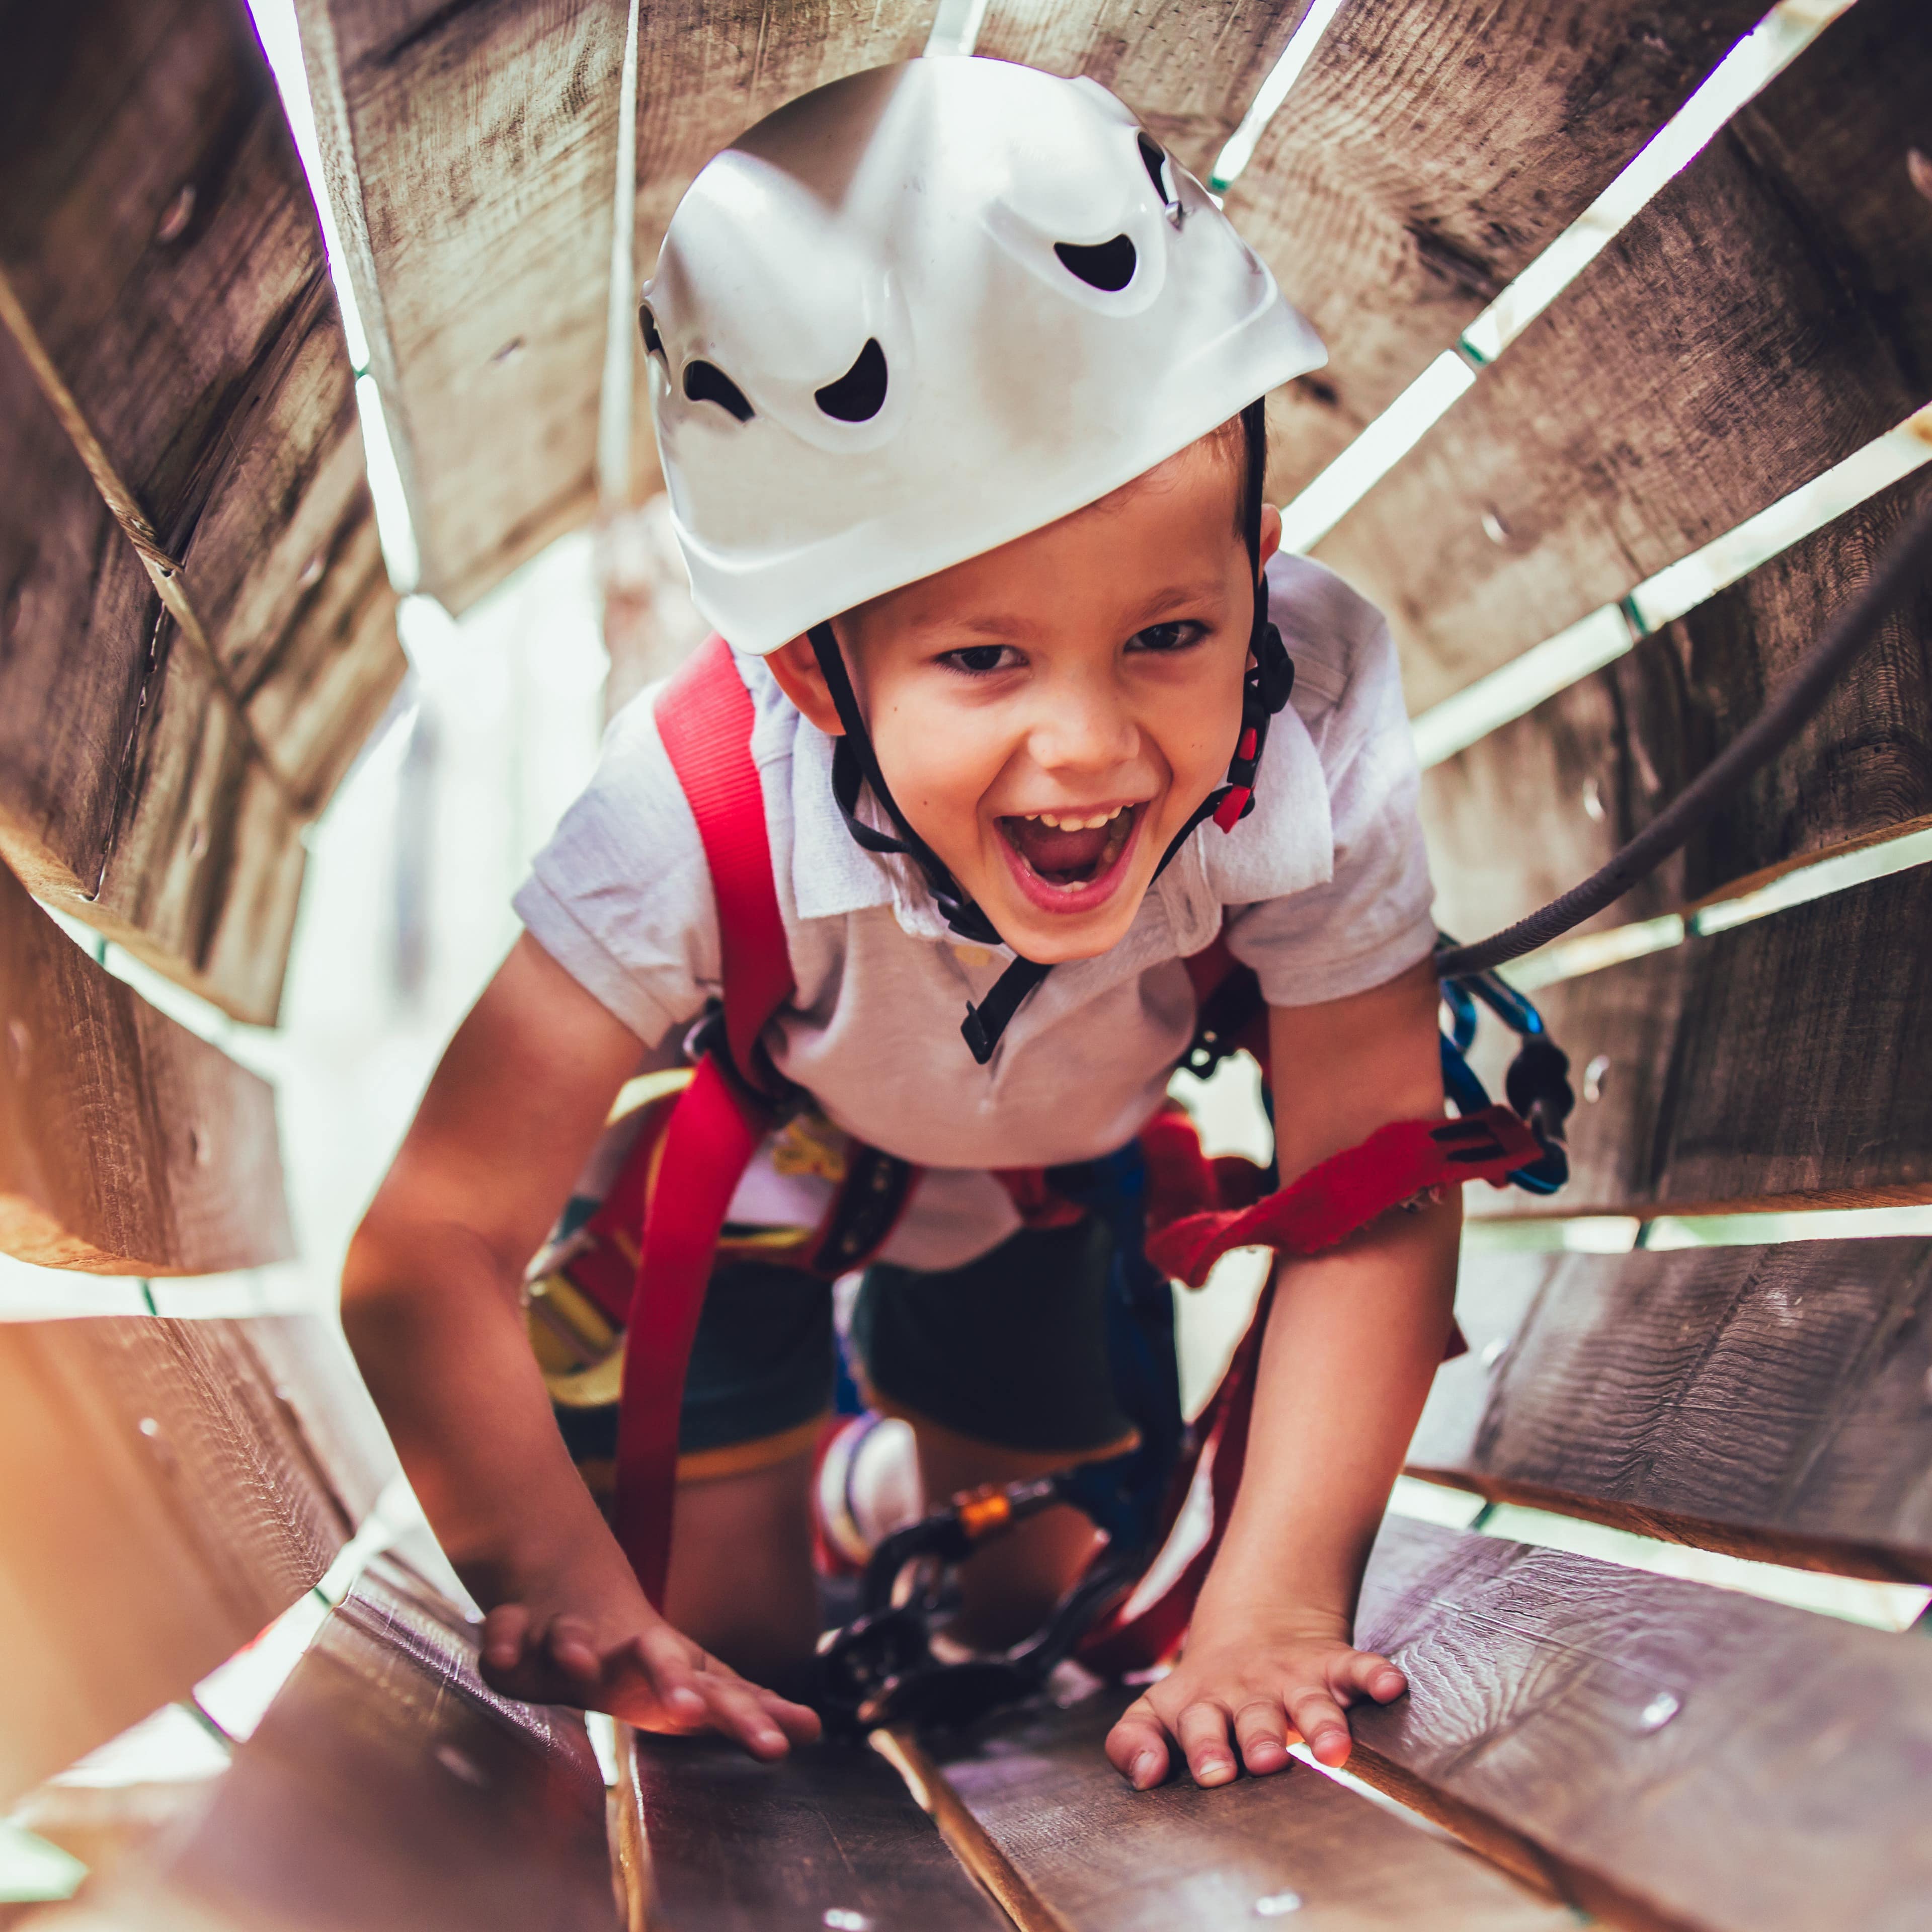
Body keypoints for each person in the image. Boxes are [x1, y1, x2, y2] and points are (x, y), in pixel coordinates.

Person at [341, 55, 1456, 1793]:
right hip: (754, 1183)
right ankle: (808, 1465)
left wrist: (1270, 1611)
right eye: (983, 658)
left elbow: (1370, 1182)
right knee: (742, 1673)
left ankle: (875, 1478)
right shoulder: (695, 808)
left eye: (1172, 633)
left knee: (1021, 1598)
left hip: (1042, 1173)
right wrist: (557, 1584)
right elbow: (424, 1252)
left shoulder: (1303, 721)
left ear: (1260, 563)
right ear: (808, 667)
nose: (1089, 745)